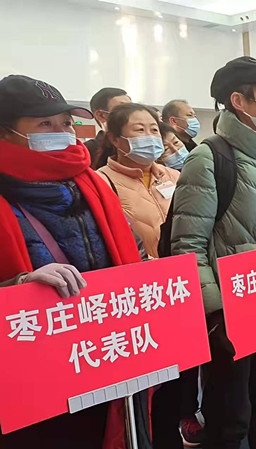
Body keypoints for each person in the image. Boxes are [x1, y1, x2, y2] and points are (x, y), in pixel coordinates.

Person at [170, 56, 256, 449]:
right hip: (232, 317)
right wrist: (216, 315)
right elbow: (188, 245)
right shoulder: (209, 158)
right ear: (239, 101)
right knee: (231, 419)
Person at [0, 75, 144, 448]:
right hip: (35, 370)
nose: (62, 133)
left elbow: (134, 250)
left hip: (103, 348)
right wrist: (19, 285)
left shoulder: (91, 183)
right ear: (7, 132)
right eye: (45, 124)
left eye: (65, 123)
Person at [96, 103, 179, 259]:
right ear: (114, 139)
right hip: (139, 270)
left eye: (154, 130)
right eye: (140, 130)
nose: (150, 136)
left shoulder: (174, 176)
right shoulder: (101, 182)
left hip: (184, 266)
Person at [85, 87, 132, 169]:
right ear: (101, 115)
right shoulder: (87, 151)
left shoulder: (137, 146)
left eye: (131, 108)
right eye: (122, 109)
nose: (131, 114)